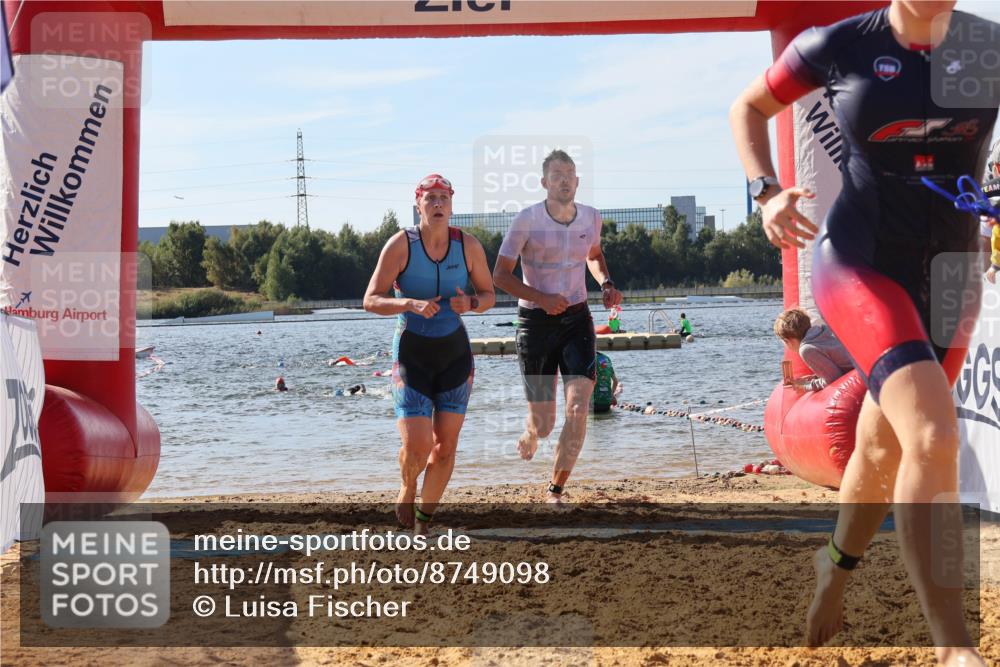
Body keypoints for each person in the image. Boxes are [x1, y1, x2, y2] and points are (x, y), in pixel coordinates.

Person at [730, 2, 997, 664]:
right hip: (860, 262)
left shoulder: (988, 46)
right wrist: (766, 191)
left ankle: (834, 565)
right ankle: (953, 647)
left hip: (954, 274)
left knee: (882, 447)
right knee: (934, 434)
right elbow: (749, 107)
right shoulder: (840, 43)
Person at [363, 174, 495, 534]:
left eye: (444, 198)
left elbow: (489, 296)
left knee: (446, 447)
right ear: (418, 204)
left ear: (451, 205)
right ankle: (407, 486)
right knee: (419, 446)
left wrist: (470, 303)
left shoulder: (467, 245)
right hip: (412, 353)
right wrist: (408, 302)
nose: (438, 204)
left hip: (455, 354)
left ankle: (424, 522)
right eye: (430, 198)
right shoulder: (400, 245)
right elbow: (370, 299)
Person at [493, 149, 623, 504]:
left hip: (577, 319)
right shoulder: (526, 220)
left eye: (570, 173)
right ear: (545, 183)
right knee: (546, 423)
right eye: (557, 174)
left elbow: (594, 256)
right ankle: (532, 431)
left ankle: (555, 490)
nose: (564, 179)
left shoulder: (591, 218)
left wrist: (606, 284)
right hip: (535, 322)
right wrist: (542, 297)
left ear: (577, 181)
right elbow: (500, 276)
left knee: (579, 408)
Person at [773, 308, 853, 391]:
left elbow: (833, 379)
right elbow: (840, 361)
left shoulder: (807, 349)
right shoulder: (822, 331)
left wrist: (805, 386)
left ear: (788, 341)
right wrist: (815, 377)